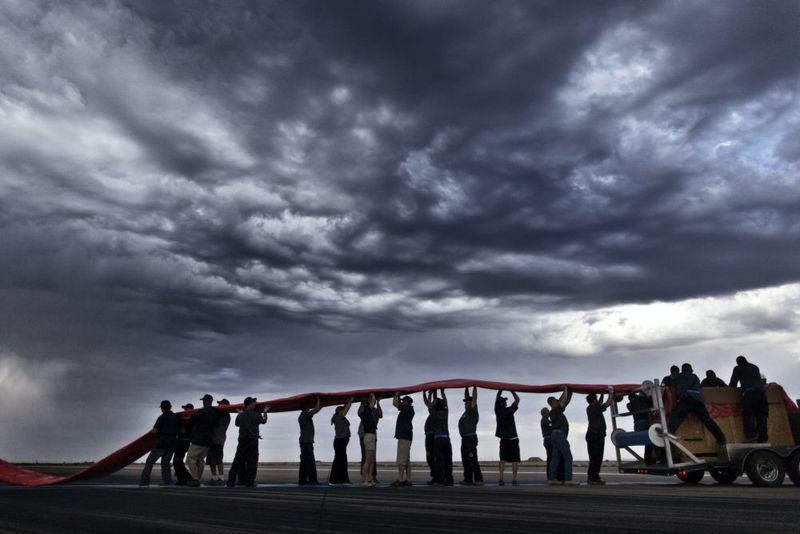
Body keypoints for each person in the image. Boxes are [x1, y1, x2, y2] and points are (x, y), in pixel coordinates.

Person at [668, 363, 726, 445]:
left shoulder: (679, 376)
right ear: (690, 370)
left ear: (682, 370)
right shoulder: (695, 377)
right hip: (698, 400)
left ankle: (669, 432)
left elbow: (672, 386)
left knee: (677, 415)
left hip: (686, 398)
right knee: (708, 420)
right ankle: (721, 439)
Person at [227, 396, 268, 487]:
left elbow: (237, 424)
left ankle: (230, 481)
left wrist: (241, 414)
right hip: (252, 441)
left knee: (237, 461)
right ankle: (249, 483)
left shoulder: (240, 415)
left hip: (242, 441)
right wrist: (265, 411)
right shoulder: (256, 414)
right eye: (253, 403)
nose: (255, 404)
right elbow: (264, 421)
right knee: (252, 462)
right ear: (250, 404)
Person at [139, 400, 180, 487]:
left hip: (161, 443)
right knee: (166, 464)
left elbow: (155, 431)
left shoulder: (162, 417)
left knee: (149, 462)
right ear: (170, 407)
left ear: (162, 408)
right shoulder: (176, 417)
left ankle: (144, 481)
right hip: (172, 443)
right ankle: (168, 482)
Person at [729, 355, 769, 442]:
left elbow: (733, 382)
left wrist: (730, 389)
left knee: (749, 414)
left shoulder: (738, 368)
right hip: (761, 394)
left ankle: (751, 436)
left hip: (749, 394)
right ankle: (763, 437)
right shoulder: (755, 367)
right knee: (761, 415)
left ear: (738, 362)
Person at [185, 393, 218, 486]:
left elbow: (191, 421)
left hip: (198, 439)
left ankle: (195, 478)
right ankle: (197, 478)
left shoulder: (200, 412)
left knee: (190, 459)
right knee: (200, 460)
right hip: (208, 440)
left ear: (204, 401)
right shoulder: (215, 412)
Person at [547, 386, 577, 485]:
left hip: (555, 435)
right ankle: (568, 479)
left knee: (555, 458)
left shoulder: (556, 411)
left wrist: (570, 392)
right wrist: (566, 390)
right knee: (568, 457)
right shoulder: (555, 410)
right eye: (556, 400)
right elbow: (563, 400)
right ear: (553, 403)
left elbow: (565, 401)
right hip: (559, 435)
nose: (558, 401)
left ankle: (552, 479)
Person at [424, 388, 453, 486]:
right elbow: (446, 403)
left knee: (439, 461)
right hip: (446, 439)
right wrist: (443, 392)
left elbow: (428, 404)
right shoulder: (446, 412)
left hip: (437, 440)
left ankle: (439, 480)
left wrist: (429, 394)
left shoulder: (434, 414)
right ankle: (449, 480)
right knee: (448, 460)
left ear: (435, 406)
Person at [494, 389, 521, 486]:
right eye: (505, 401)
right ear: (504, 404)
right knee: (514, 460)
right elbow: (518, 400)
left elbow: (496, 400)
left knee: (502, 459)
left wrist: (499, 390)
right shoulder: (509, 410)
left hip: (504, 438)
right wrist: (512, 390)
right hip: (513, 438)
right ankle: (514, 479)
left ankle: (501, 479)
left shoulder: (497, 411)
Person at [458, 386, 483, 486]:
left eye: (467, 402)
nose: (465, 403)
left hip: (470, 438)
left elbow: (474, 398)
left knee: (472, 459)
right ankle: (468, 479)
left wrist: (475, 387)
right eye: (465, 402)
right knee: (465, 460)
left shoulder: (473, 411)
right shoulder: (466, 412)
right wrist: (466, 387)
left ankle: (478, 479)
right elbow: (467, 396)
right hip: (464, 439)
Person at [585, 392, 611, 485]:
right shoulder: (594, 408)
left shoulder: (591, 407)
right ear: (593, 400)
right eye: (596, 399)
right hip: (595, 435)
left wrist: (602, 393)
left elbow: (601, 402)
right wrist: (611, 392)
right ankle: (593, 478)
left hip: (594, 435)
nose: (597, 400)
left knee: (596, 458)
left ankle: (594, 477)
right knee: (596, 458)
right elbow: (608, 403)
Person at [329, 397, 354, 484]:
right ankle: (336, 479)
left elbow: (344, 409)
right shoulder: (339, 416)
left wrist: (346, 402)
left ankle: (341, 479)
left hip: (340, 441)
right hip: (340, 442)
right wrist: (350, 401)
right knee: (340, 461)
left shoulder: (338, 416)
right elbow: (345, 410)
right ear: (339, 411)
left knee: (341, 460)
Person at [392, 393, 415, 487]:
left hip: (404, 437)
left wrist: (396, 395)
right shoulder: (409, 409)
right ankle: (408, 479)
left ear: (406, 402)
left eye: (403, 401)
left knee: (401, 459)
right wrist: (399, 399)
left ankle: (400, 479)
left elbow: (394, 403)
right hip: (407, 436)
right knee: (406, 460)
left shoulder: (406, 409)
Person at [206, 398, 231, 486]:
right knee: (210, 459)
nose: (219, 405)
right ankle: (214, 477)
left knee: (218, 459)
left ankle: (221, 477)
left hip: (218, 439)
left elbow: (216, 423)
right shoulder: (219, 414)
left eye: (221, 404)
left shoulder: (225, 415)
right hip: (212, 439)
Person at [298, 397, 322, 485]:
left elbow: (317, 409)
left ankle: (302, 480)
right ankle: (313, 480)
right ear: (306, 407)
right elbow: (316, 410)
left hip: (304, 441)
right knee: (310, 462)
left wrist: (320, 403)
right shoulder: (305, 414)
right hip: (306, 442)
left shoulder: (303, 415)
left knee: (304, 462)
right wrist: (318, 399)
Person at [358, 398, 382, 484]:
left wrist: (378, 402)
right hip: (365, 435)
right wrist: (364, 402)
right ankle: (364, 478)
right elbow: (360, 412)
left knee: (371, 458)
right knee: (366, 458)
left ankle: (370, 477)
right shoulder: (364, 412)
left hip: (372, 435)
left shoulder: (372, 410)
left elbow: (380, 414)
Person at [626, 392, 653, 463]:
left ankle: (648, 459)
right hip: (646, 422)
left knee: (647, 442)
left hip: (637, 425)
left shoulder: (629, 404)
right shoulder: (642, 400)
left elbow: (630, 406)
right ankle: (649, 459)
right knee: (651, 440)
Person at [540, 407, 564, 481]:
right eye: (547, 412)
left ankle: (552, 475)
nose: (548, 413)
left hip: (549, 440)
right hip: (548, 440)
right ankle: (550, 476)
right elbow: (551, 426)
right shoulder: (544, 420)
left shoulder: (546, 420)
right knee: (550, 458)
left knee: (551, 458)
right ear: (544, 413)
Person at [172, 403, 194, 485]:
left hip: (183, 442)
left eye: (186, 409)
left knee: (177, 461)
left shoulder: (191, 419)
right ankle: (184, 478)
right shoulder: (183, 419)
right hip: (181, 442)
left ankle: (185, 478)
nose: (184, 410)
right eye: (184, 409)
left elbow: (185, 431)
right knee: (178, 461)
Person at [424, 390, 436, 485]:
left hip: (431, 437)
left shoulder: (434, 412)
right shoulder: (433, 412)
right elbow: (427, 403)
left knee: (431, 457)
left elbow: (428, 403)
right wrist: (425, 393)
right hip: (429, 437)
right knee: (430, 458)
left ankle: (435, 477)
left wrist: (431, 394)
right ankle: (434, 476)